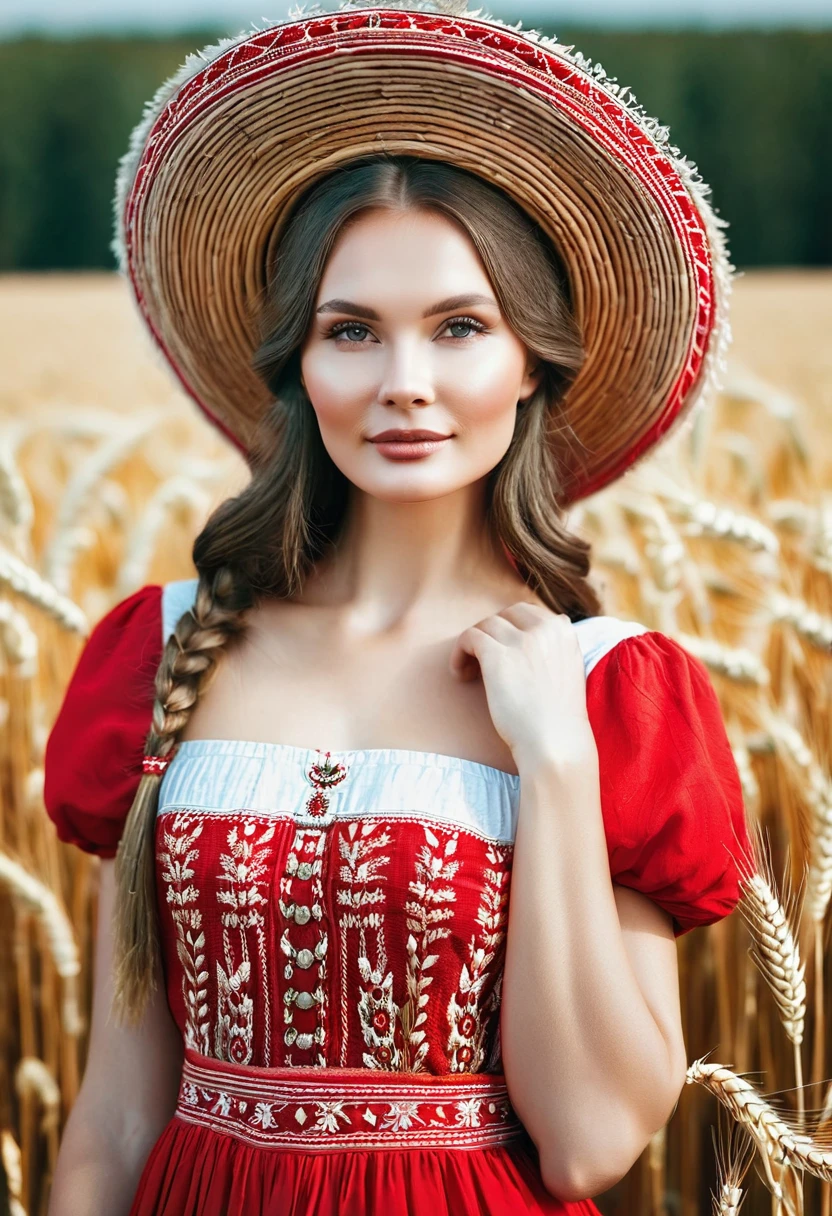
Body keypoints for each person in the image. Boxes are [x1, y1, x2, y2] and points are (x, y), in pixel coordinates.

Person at [43, 3, 753, 1213]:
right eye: (351, 332)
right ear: (300, 365)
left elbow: (588, 1145)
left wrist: (557, 763)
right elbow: (113, 1121)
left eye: (460, 328)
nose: (403, 385)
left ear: (530, 360)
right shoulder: (162, 652)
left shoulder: (611, 692)